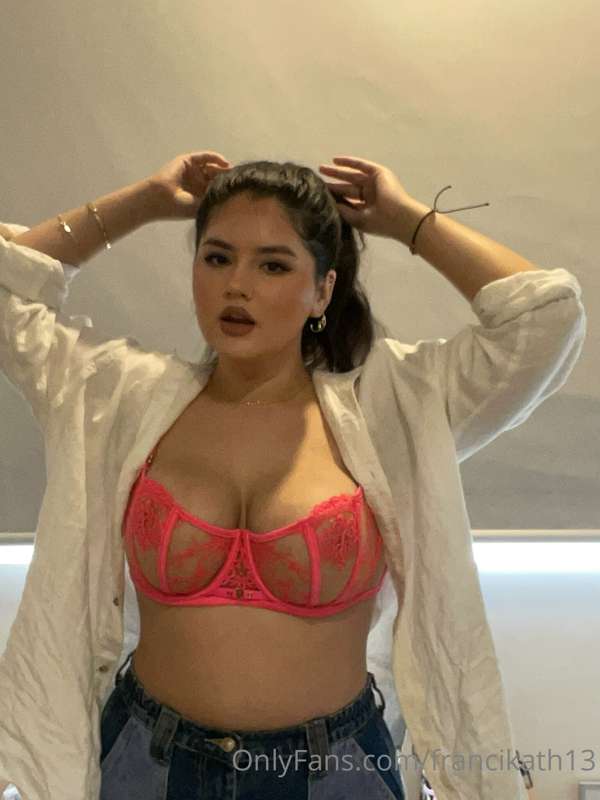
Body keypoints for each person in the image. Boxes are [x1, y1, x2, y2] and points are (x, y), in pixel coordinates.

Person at [0, 151, 584, 800]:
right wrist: (145, 202)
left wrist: (407, 220)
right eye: (217, 258)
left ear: (323, 290)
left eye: (273, 265)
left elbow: (545, 317)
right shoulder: (119, 397)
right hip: (149, 760)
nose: (237, 285)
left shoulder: (393, 407)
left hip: (334, 770)